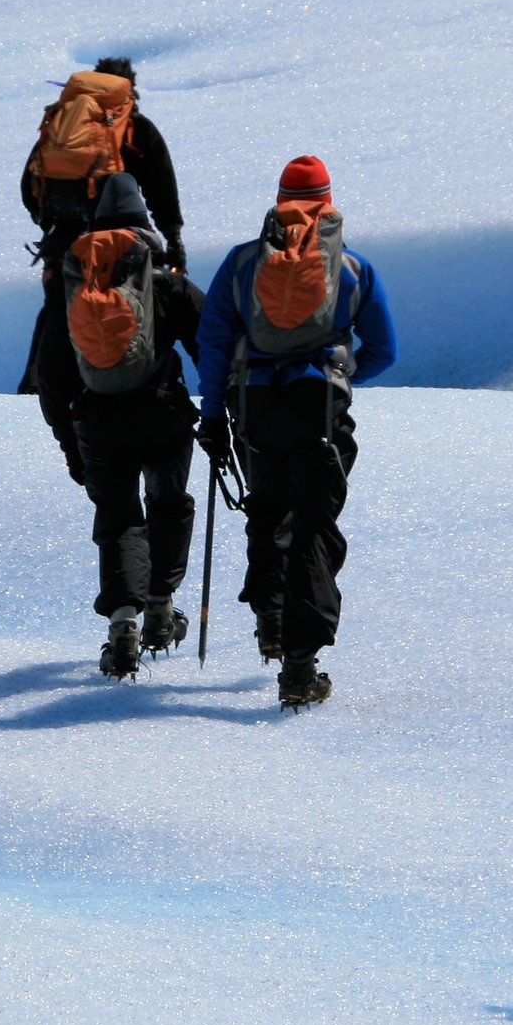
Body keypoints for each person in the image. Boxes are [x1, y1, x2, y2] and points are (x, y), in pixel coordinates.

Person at [193, 155, 396, 707]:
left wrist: (214, 414)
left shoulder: (240, 265)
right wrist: (341, 372)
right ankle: (301, 670)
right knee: (312, 526)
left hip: (253, 409)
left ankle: (272, 621)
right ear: (328, 202)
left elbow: (213, 346)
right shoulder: (352, 270)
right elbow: (384, 351)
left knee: (267, 510)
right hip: (320, 409)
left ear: (279, 200)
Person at [33, 172, 204, 676]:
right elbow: (213, 349)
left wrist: (71, 446)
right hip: (163, 415)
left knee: (119, 516)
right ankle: (160, 604)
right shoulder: (167, 284)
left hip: (98, 424)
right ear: (144, 227)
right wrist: (219, 414)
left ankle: (123, 620)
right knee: (169, 504)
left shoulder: (72, 289)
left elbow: (52, 380)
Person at [19, 57, 186, 485]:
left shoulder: (62, 124)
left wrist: (53, 226)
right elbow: (162, 186)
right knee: (136, 305)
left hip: (63, 243)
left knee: (61, 312)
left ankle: (40, 382)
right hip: (125, 244)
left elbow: (28, 186)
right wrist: (173, 239)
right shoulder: (134, 127)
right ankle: (129, 376)